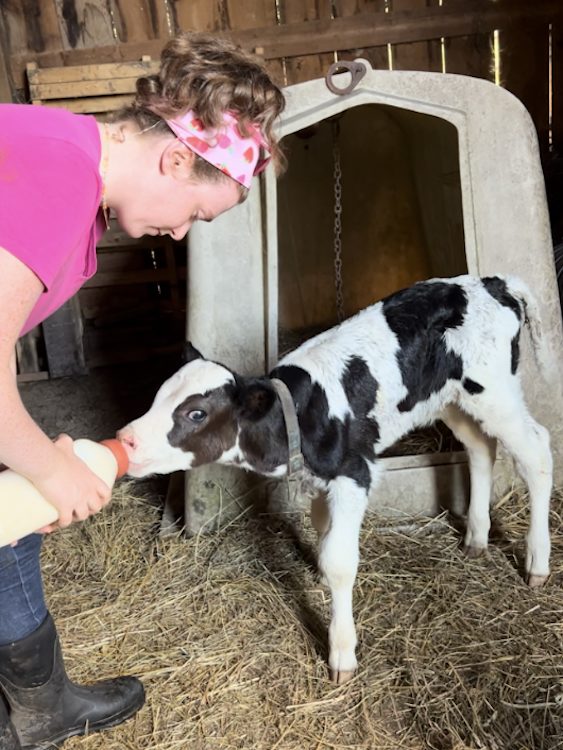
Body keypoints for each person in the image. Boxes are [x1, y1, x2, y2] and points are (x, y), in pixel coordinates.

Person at [0, 32, 285, 749]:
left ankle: (41, 706)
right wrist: (44, 464)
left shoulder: (59, 157)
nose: (182, 234)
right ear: (176, 157)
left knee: (10, 522)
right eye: (195, 211)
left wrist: (31, 454)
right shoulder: (60, 173)